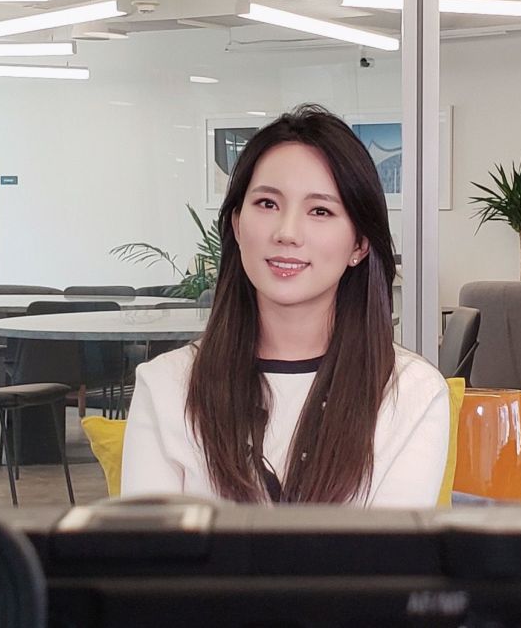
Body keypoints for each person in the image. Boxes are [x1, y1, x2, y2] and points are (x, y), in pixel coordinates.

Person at [121, 104, 448, 507]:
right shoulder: (166, 387)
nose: (287, 232)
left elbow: (386, 547)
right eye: (267, 204)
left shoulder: (410, 393)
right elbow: (150, 546)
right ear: (237, 224)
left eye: (320, 211)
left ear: (360, 244)